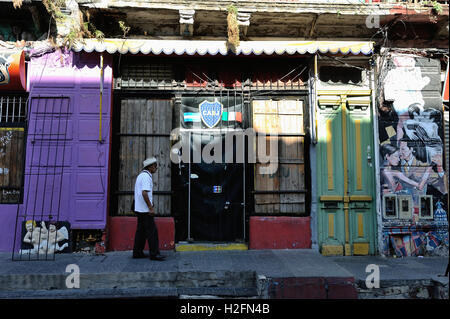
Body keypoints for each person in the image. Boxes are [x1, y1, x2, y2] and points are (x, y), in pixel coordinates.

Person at [132, 157, 165, 261]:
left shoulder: (141, 175)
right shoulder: (146, 177)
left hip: (139, 209)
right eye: (155, 166)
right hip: (145, 210)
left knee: (141, 232)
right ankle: (154, 254)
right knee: (152, 232)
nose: (156, 168)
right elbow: (144, 193)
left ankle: (137, 252)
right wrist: (150, 208)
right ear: (150, 167)